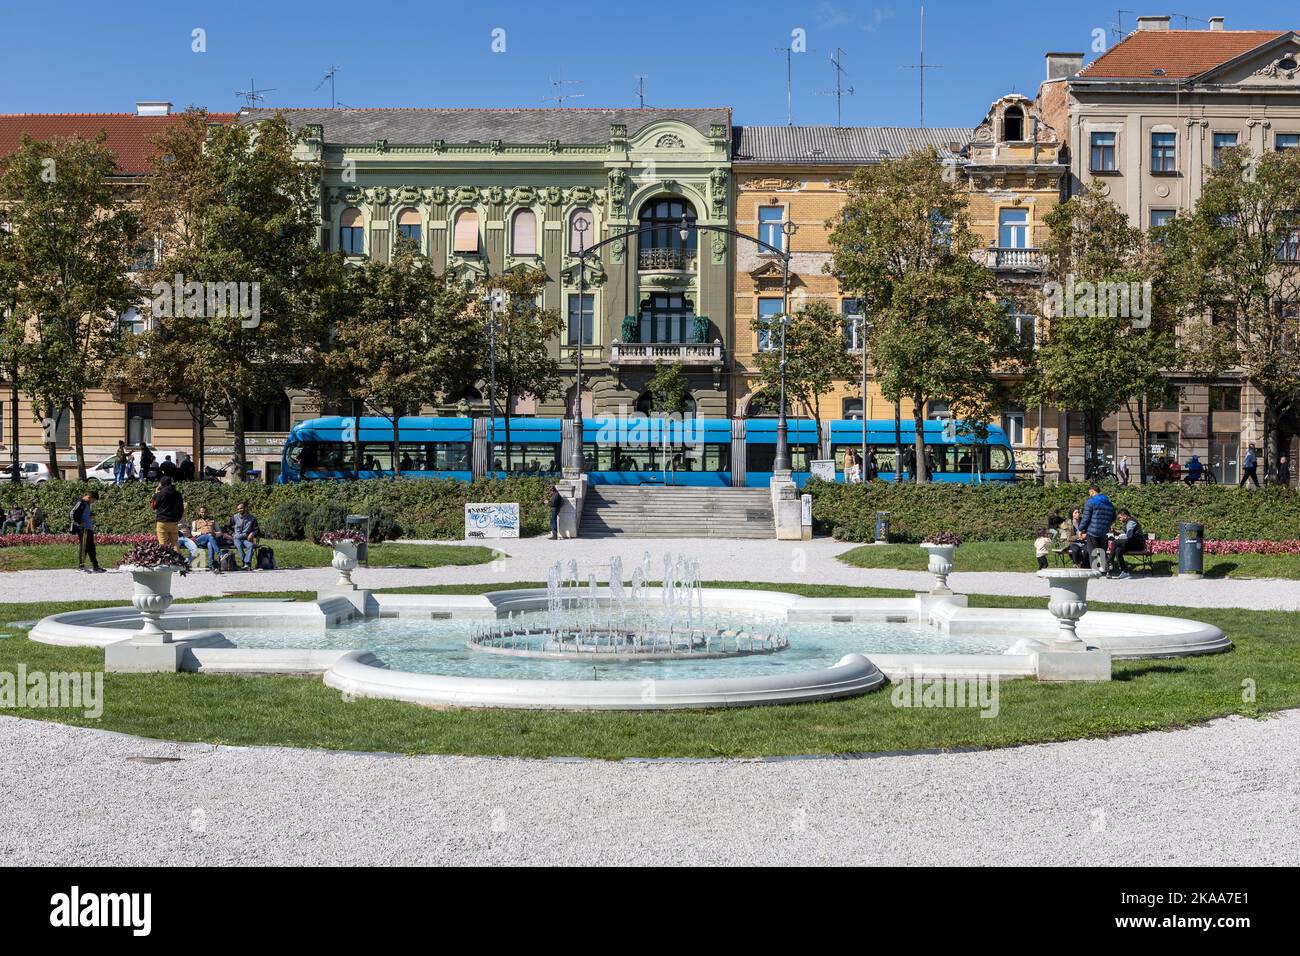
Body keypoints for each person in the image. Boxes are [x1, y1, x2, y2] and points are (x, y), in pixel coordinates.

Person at [1078, 484, 1117, 572]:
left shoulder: (1090, 501)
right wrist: (1107, 524)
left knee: (1093, 552)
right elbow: (1114, 517)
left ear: (1092, 491)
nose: (1089, 495)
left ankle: (1094, 571)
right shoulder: (1109, 503)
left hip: (1092, 530)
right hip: (1104, 531)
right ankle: (1106, 570)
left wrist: (1080, 529)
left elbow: (1086, 518)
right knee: (1102, 551)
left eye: (1089, 493)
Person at [71, 490, 103, 573]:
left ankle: (95, 566)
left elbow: (84, 514)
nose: (93, 502)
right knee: (84, 547)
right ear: (89, 497)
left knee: (91, 548)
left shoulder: (87, 504)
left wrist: (91, 514)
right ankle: (81, 566)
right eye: (93, 500)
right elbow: (72, 513)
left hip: (89, 528)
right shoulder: (81, 503)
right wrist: (78, 522)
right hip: (83, 529)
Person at [1109, 508, 1146, 579]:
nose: (1119, 520)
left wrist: (1126, 535)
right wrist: (1114, 532)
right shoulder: (1127, 522)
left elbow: (1129, 532)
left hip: (1138, 544)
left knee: (1115, 542)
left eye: (1120, 517)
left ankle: (1110, 563)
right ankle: (1125, 572)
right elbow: (1123, 532)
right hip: (1132, 543)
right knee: (1118, 550)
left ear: (1125, 516)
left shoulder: (1131, 522)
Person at [150, 476, 185, 549]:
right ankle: (178, 559)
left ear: (161, 483)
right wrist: (178, 519)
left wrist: (156, 493)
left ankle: (164, 559)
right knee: (175, 543)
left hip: (162, 522)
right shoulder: (178, 494)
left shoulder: (160, 494)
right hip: (174, 522)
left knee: (163, 544)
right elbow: (181, 508)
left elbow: (153, 506)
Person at [190, 505, 222, 572]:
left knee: (210, 543)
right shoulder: (195, 522)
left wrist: (215, 534)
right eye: (201, 512)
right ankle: (220, 554)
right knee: (209, 536)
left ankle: (211, 565)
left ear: (207, 512)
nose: (203, 514)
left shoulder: (213, 521)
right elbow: (192, 533)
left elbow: (220, 532)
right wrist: (201, 533)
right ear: (199, 512)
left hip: (210, 540)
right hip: (200, 540)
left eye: (204, 512)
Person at [229, 501, 260, 568]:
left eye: (241, 508)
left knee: (251, 545)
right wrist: (232, 533)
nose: (239, 510)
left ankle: (247, 563)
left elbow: (257, 530)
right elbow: (226, 527)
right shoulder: (234, 517)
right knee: (239, 545)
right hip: (236, 538)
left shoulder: (252, 518)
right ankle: (245, 562)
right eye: (238, 509)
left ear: (245, 508)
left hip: (246, 539)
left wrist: (252, 533)